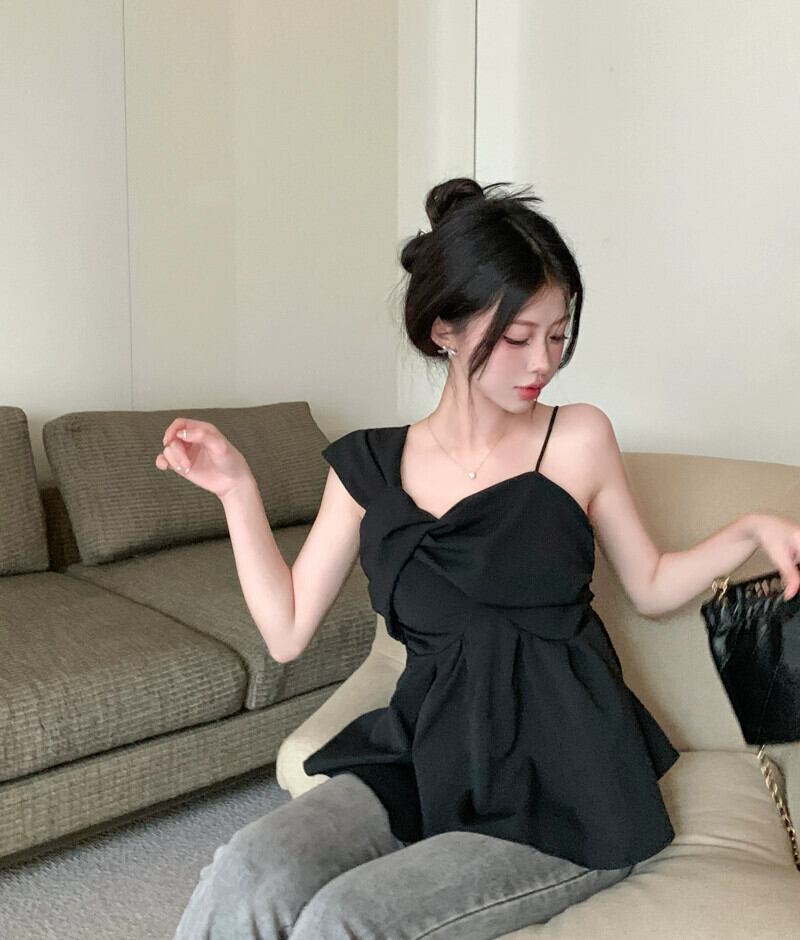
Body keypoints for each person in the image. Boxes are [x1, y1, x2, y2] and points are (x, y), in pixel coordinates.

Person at [159, 178, 800, 939]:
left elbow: (653, 586)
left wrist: (748, 530)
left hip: (567, 774)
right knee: (247, 869)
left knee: (344, 918)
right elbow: (286, 631)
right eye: (518, 338)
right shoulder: (367, 466)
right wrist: (237, 490)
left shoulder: (578, 438)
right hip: (425, 747)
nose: (543, 363)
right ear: (445, 330)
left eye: (558, 334)